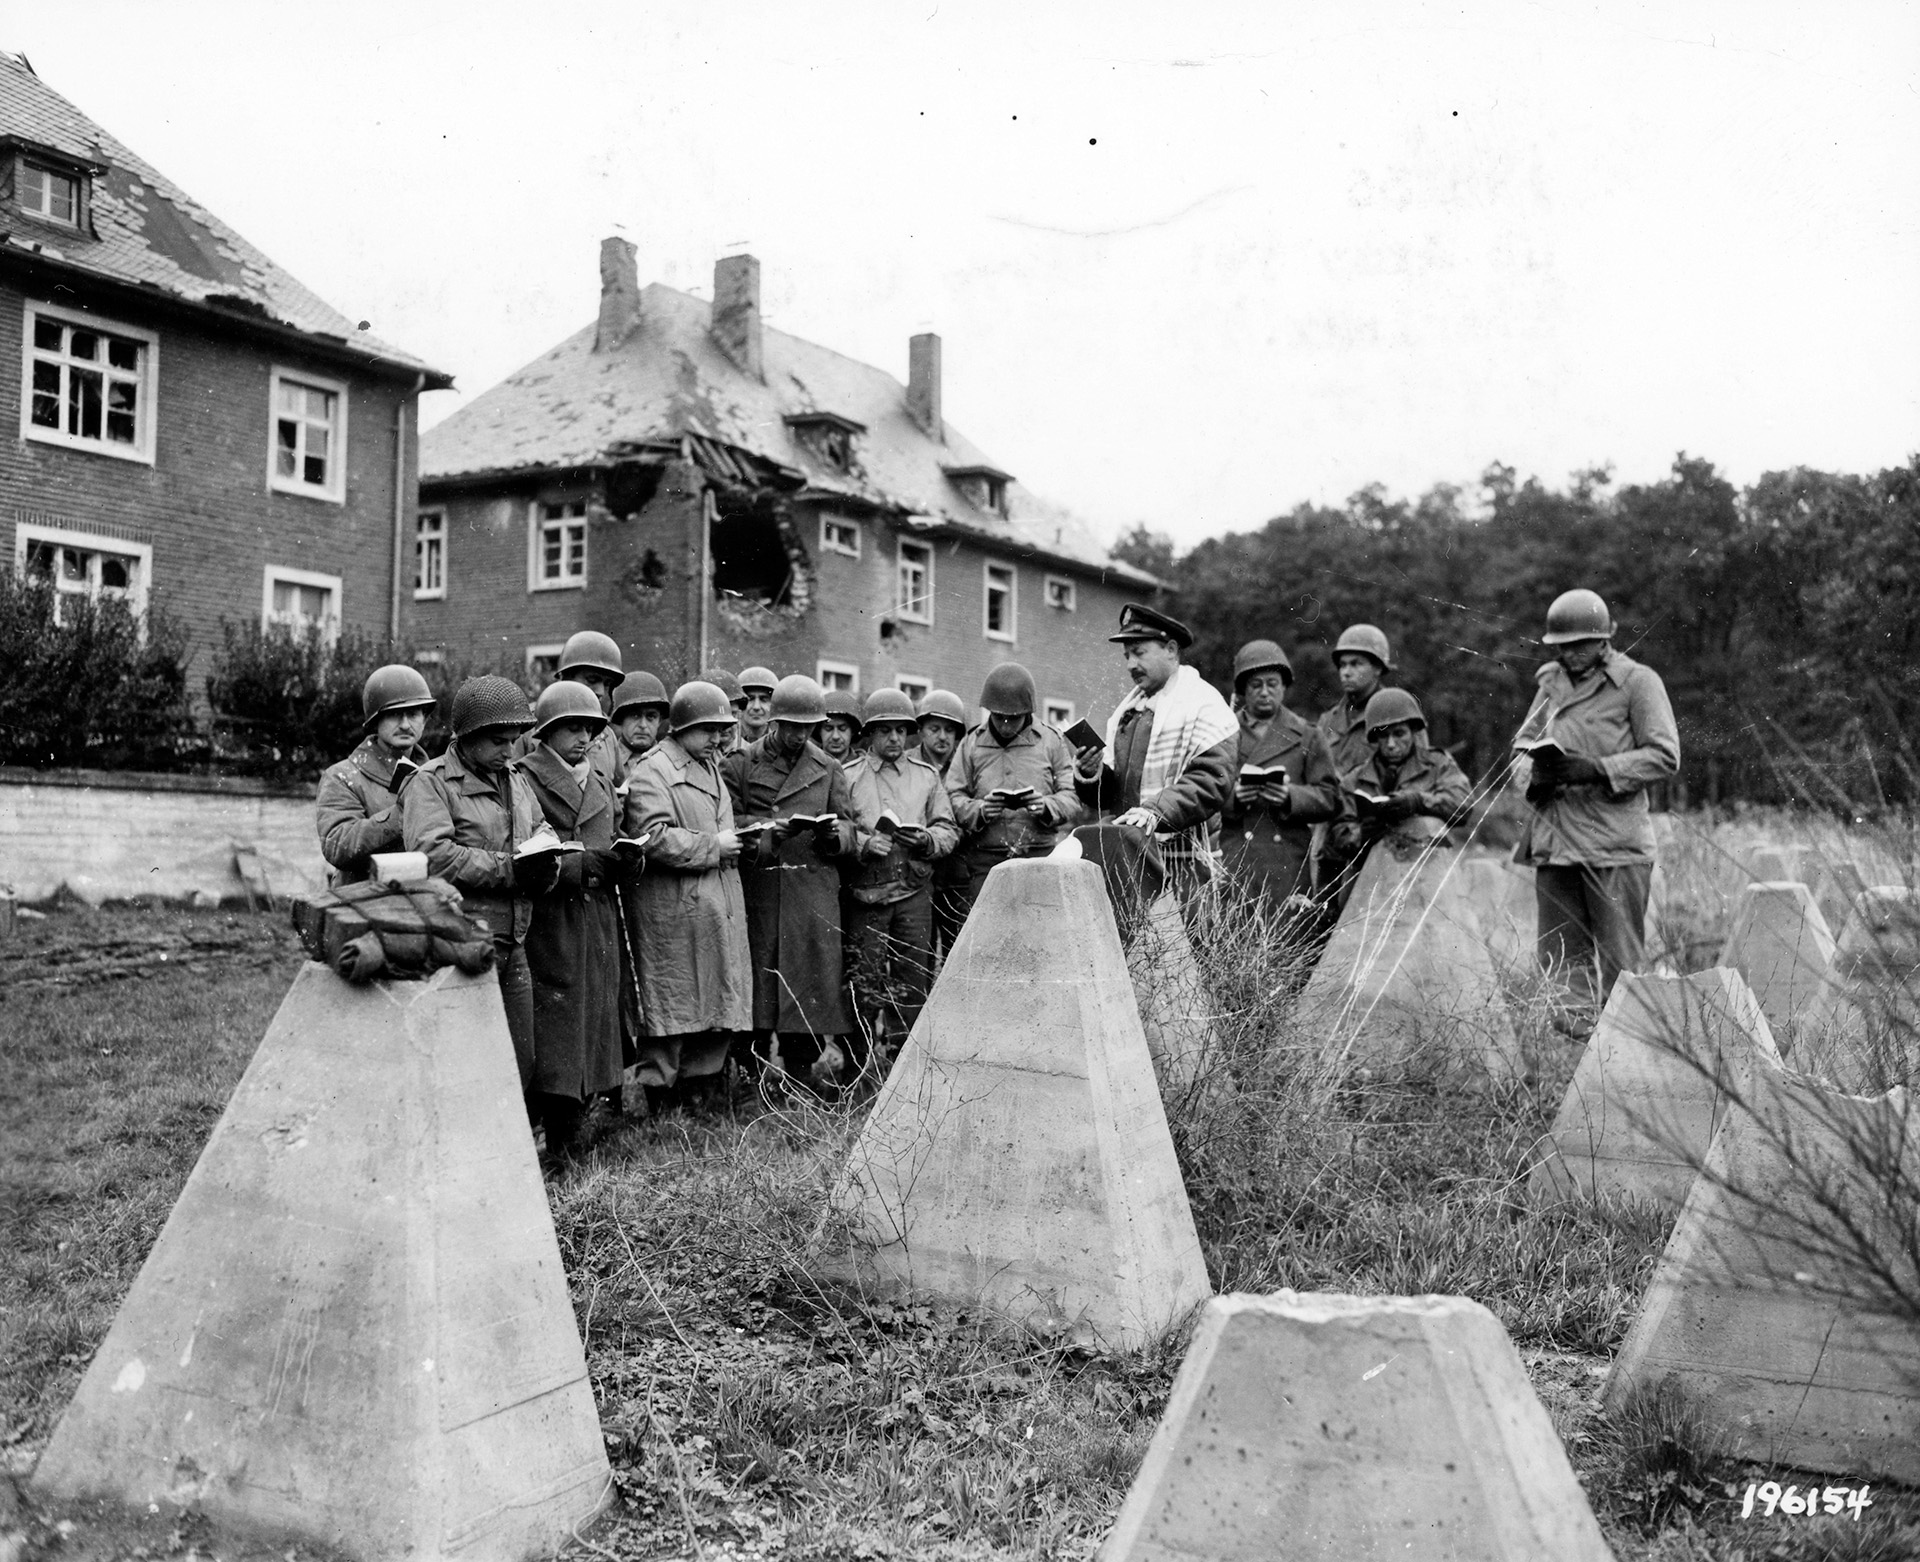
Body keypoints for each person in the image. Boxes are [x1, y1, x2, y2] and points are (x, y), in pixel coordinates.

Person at [1512, 588, 1680, 1035]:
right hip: (1556, 844)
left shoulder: (1638, 682)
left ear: (1606, 638)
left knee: (1624, 972)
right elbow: (1519, 753)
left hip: (1614, 846)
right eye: (1562, 646)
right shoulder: (1550, 685)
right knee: (1562, 975)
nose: (1571, 654)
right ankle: (1581, 1074)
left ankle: (1633, 1071)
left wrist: (1596, 769)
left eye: (1581, 644)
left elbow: (1665, 755)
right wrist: (1534, 775)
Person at [403, 675, 550, 1096]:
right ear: (467, 738)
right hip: (460, 939)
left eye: (514, 740)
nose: (509, 751)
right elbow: (432, 855)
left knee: (520, 1062)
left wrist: (548, 861)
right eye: (498, 741)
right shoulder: (430, 783)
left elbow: (541, 828)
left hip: (514, 941)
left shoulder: (516, 779)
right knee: (459, 1060)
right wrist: (511, 869)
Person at [722, 674, 859, 1086]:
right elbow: (728, 819)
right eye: (793, 726)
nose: (800, 735)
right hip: (761, 888)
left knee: (808, 987)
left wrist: (836, 837)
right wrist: (768, 830)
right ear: (774, 722)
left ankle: (802, 1076)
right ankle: (751, 1076)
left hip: (811, 893)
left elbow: (853, 826)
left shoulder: (829, 768)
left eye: (808, 727)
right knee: (759, 988)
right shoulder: (742, 763)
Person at [623, 680, 753, 1108]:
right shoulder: (652, 770)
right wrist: (713, 847)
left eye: (722, 730)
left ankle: (701, 1098)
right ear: (680, 729)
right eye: (708, 730)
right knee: (672, 1007)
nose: (718, 739)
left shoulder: (709, 766)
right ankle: (662, 1105)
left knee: (714, 1005)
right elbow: (652, 836)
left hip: (716, 906)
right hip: (674, 912)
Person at [518, 680, 630, 1163]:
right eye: (570, 728)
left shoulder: (601, 780)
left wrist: (630, 859)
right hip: (551, 919)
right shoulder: (524, 778)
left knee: (592, 1022)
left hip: (597, 917)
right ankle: (547, 1136)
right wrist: (576, 866)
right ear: (545, 732)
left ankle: (576, 1129)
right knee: (555, 1029)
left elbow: (619, 835)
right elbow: (521, 850)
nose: (583, 737)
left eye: (589, 728)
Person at [1071, 603, 1238, 908]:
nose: (1130, 664)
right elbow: (1113, 794)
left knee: (1184, 951)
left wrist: (1154, 811)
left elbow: (1211, 781)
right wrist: (1091, 772)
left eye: (1139, 652)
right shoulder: (1126, 713)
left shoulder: (1204, 705)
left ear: (1171, 650)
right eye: (1126, 656)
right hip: (1128, 859)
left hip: (1183, 863)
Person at [842, 689, 960, 1060]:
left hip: (913, 892)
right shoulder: (848, 776)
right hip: (867, 897)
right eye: (884, 731)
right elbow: (838, 829)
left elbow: (947, 827)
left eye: (900, 731)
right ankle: (857, 1066)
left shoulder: (926, 777)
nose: (894, 738)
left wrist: (926, 840)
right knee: (863, 982)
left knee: (912, 980)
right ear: (869, 735)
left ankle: (901, 1064)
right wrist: (862, 844)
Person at [1217, 640, 1340, 926]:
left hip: (1288, 861)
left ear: (1284, 686)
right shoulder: (1221, 732)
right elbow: (1206, 791)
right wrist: (1234, 796)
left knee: (1286, 944)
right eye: (1255, 684)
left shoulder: (1308, 735)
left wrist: (1290, 796)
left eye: (1272, 683)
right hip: (1237, 856)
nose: (1264, 692)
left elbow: (1330, 797)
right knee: (1236, 941)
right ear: (1242, 689)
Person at [946, 663, 1083, 916]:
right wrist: (981, 809)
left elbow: (1071, 795)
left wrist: (1047, 806)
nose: (1006, 725)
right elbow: (952, 796)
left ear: (1027, 712)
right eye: (999, 717)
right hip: (985, 862)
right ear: (989, 712)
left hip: (1039, 857)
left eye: (1014, 718)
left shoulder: (1050, 741)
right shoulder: (971, 744)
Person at [1327, 688, 1474, 883]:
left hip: (1427, 874)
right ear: (1374, 739)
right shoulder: (1354, 779)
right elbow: (1338, 833)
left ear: (1413, 732)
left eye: (1399, 734)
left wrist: (1419, 802)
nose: (1391, 744)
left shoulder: (1437, 764)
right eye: (1383, 735)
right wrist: (1362, 833)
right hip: (1370, 878)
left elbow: (1464, 805)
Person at [316, 664, 436, 884]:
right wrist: (401, 814)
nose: (405, 724)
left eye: (413, 714)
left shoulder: (435, 776)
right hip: (362, 904)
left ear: (425, 719)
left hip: (422, 902)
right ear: (375, 721)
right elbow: (338, 846)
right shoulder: (343, 776)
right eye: (394, 715)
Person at [916, 689, 972, 956]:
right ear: (922, 730)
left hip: (957, 873)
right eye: (934, 728)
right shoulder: (908, 764)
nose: (942, 737)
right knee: (919, 955)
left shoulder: (965, 766)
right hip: (918, 872)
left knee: (957, 953)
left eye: (950, 730)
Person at [609, 671, 670, 780]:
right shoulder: (607, 760)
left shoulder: (669, 763)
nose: (643, 725)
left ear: (659, 721)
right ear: (621, 719)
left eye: (651, 716)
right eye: (635, 715)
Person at [700, 667, 748, 753]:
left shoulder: (750, 754)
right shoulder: (695, 756)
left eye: (732, 714)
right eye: (719, 715)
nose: (726, 725)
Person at [736, 666, 778, 748]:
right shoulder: (726, 744)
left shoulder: (778, 745)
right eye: (750, 699)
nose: (756, 707)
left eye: (763, 699)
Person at [819, 689, 864, 764]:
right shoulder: (806, 765)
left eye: (842, 729)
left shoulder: (864, 768)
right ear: (819, 731)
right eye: (828, 728)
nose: (835, 736)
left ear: (852, 731)